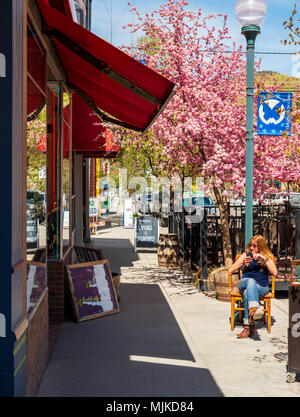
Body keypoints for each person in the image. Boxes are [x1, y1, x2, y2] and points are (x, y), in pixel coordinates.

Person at [228, 234, 277, 339]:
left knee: (247, 293)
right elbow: (231, 270)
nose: (251, 248)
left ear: (261, 246)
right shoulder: (246, 255)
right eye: (251, 245)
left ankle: (247, 327)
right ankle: (255, 306)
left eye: (255, 246)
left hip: (261, 286)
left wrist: (263, 258)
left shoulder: (267, 257)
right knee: (251, 281)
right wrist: (243, 264)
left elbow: (274, 272)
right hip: (245, 282)